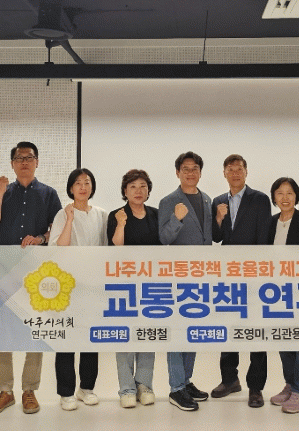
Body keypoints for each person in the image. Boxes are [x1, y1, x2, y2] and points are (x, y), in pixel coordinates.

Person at [0, 142, 62, 416]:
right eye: (19, 158)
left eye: (29, 157)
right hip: (2, 266)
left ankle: (30, 390)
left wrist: (40, 238)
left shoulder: (49, 193)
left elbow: (55, 230)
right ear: (12, 164)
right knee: (0, 328)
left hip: (35, 266)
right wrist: (1, 192)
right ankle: (5, 391)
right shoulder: (2, 191)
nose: (24, 162)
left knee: (35, 326)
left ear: (37, 162)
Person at [210, 154, 271, 408]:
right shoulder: (218, 201)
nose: (235, 173)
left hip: (254, 272)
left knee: (256, 328)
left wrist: (259, 271)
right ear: (224, 173)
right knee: (229, 325)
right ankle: (229, 379)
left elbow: (264, 236)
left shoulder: (260, 199)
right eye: (230, 169)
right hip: (228, 272)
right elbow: (216, 237)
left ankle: (255, 387)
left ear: (246, 172)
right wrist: (218, 219)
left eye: (239, 169)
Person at [50, 168, 108, 411]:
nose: (83, 187)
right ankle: (66, 392)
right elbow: (60, 246)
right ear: (71, 188)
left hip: (93, 284)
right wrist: (70, 219)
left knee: (90, 336)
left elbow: (107, 249)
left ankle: (87, 388)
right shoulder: (62, 214)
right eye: (78, 183)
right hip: (68, 285)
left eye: (87, 182)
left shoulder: (102, 214)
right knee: (66, 337)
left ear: (92, 187)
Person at [158, 151, 212, 411]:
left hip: (201, 274)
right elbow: (163, 239)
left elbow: (207, 237)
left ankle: (186, 380)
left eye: (195, 169)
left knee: (193, 330)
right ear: (177, 172)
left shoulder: (207, 199)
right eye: (186, 169)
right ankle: (176, 388)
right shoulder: (169, 201)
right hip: (177, 276)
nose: (191, 173)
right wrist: (176, 219)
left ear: (200, 172)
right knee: (177, 331)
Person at [107, 169, 160, 409]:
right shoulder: (116, 215)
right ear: (125, 191)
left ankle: (144, 385)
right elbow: (116, 246)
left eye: (143, 186)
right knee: (126, 336)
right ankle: (127, 388)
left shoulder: (156, 215)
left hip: (151, 285)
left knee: (148, 334)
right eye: (133, 187)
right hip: (124, 284)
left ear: (148, 190)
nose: (138, 191)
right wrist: (121, 225)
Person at [267, 177, 299, 414]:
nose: (285, 197)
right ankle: (290, 384)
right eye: (280, 193)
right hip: (277, 291)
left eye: (289, 193)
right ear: (274, 197)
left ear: (296, 196)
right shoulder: (271, 222)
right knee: (284, 339)